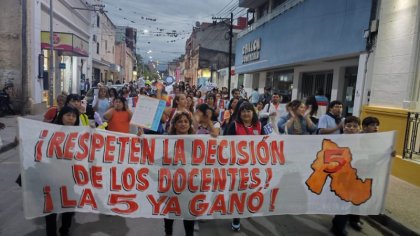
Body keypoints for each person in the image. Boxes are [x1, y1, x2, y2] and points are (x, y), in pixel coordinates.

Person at [225, 101, 264, 231]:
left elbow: (270, 142)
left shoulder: (260, 125)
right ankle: (236, 219)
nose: (246, 114)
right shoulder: (233, 125)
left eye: (248, 111)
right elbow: (225, 143)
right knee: (238, 192)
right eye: (243, 111)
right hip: (237, 167)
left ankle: (246, 210)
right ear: (239, 114)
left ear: (253, 113)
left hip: (254, 166)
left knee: (250, 191)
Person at [45, 105, 79, 236]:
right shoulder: (50, 131)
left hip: (70, 176)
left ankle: (65, 230)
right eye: (68, 115)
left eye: (74, 116)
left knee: (69, 207)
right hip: (51, 175)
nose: (71, 118)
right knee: (50, 207)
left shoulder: (81, 133)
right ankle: (51, 233)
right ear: (61, 116)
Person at [164, 112, 195, 236]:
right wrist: (141, 137)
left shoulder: (197, 140)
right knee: (169, 213)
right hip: (170, 183)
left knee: (188, 214)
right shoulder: (166, 140)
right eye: (180, 121)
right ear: (175, 125)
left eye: (186, 121)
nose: (183, 124)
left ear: (189, 125)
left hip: (189, 183)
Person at [330, 116, 362, 236]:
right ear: (343, 127)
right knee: (344, 202)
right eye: (348, 126)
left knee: (348, 202)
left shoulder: (363, 141)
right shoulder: (337, 141)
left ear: (359, 128)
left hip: (355, 176)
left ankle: (339, 224)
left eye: (354, 126)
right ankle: (338, 227)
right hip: (340, 176)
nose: (351, 129)